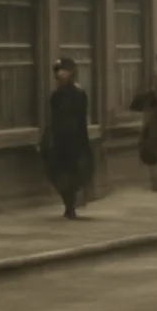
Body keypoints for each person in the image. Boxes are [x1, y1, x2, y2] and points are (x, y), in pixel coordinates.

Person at [40, 57, 93, 220]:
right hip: (60, 139)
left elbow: (81, 118)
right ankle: (69, 205)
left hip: (74, 139)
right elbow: (54, 117)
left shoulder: (78, 93)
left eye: (64, 72)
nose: (60, 75)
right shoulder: (56, 95)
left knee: (72, 173)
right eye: (58, 72)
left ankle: (70, 206)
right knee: (60, 173)